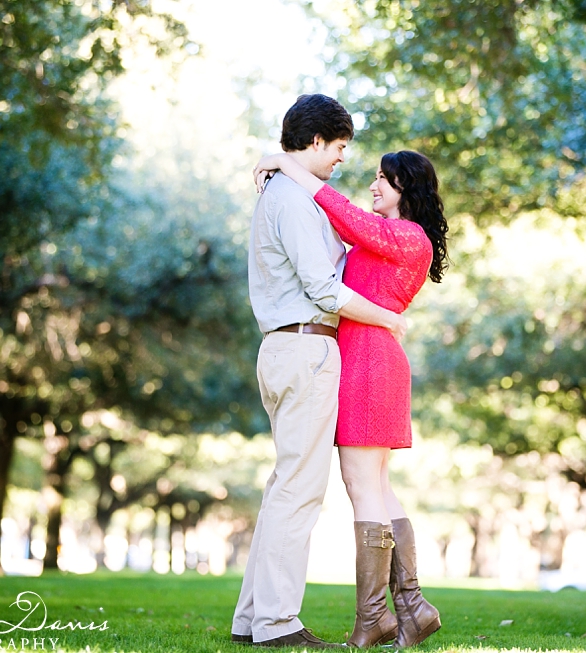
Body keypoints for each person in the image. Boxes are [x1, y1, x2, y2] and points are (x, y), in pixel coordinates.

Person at [252, 147, 449, 649]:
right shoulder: (393, 238)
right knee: (376, 486)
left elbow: (339, 211)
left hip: (367, 362)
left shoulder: (405, 235)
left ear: (408, 186)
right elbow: (334, 230)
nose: (374, 186)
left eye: (384, 179)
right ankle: (411, 607)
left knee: (363, 485)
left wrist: (283, 161)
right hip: (367, 357)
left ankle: (376, 617)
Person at [231, 94, 408, 649]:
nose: (340, 159)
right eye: (338, 148)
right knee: (300, 493)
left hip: (288, 349)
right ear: (314, 141)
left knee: (285, 486)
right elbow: (326, 289)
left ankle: (252, 618)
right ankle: (278, 626)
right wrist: (389, 319)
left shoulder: (284, 191)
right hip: (305, 349)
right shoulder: (292, 200)